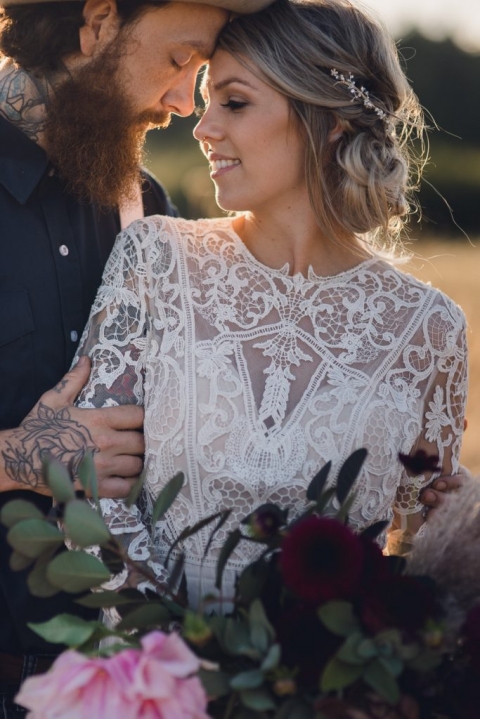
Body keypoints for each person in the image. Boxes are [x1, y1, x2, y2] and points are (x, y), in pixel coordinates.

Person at [74, 0, 468, 608]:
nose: (203, 129)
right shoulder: (154, 259)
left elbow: (412, 561)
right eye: (206, 105)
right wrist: (179, 660)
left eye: (233, 101)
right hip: (150, 681)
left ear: (328, 118)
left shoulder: (430, 329)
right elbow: (90, 498)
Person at [0, 0, 272, 713]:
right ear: (97, 23)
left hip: (121, 684)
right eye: (181, 60)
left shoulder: (147, 213)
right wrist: (14, 457)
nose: (185, 103)